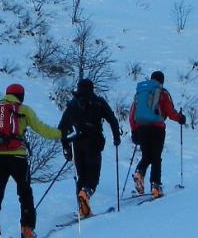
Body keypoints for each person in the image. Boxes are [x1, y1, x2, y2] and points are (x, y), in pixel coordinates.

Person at [0, 83, 61, 238]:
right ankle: (27, 230)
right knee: (25, 193)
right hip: (18, 157)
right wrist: (62, 133)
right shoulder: (23, 109)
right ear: (20, 96)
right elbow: (42, 129)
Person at [58, 78, 121, 217]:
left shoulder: (73, 104)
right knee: (93, 176)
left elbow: (62, 127)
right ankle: (85, 193)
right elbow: (112, 119)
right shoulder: (98, 101)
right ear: (92, 88)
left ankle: (83, 208)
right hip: (93, 142)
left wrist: (66, 147)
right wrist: (116, 137)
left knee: (82, 176)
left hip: (77, 143)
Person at [128, 70, 185, 199]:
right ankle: (156, 186)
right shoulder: (162, 92)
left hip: (142, 128)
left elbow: (132, 114)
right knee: (156, 157)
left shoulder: (141, 93)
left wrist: (134, 130)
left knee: (146, 155)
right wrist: (180, 118)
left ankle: (139, 172)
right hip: (157, 129)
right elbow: (170, 111)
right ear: (162, 81)